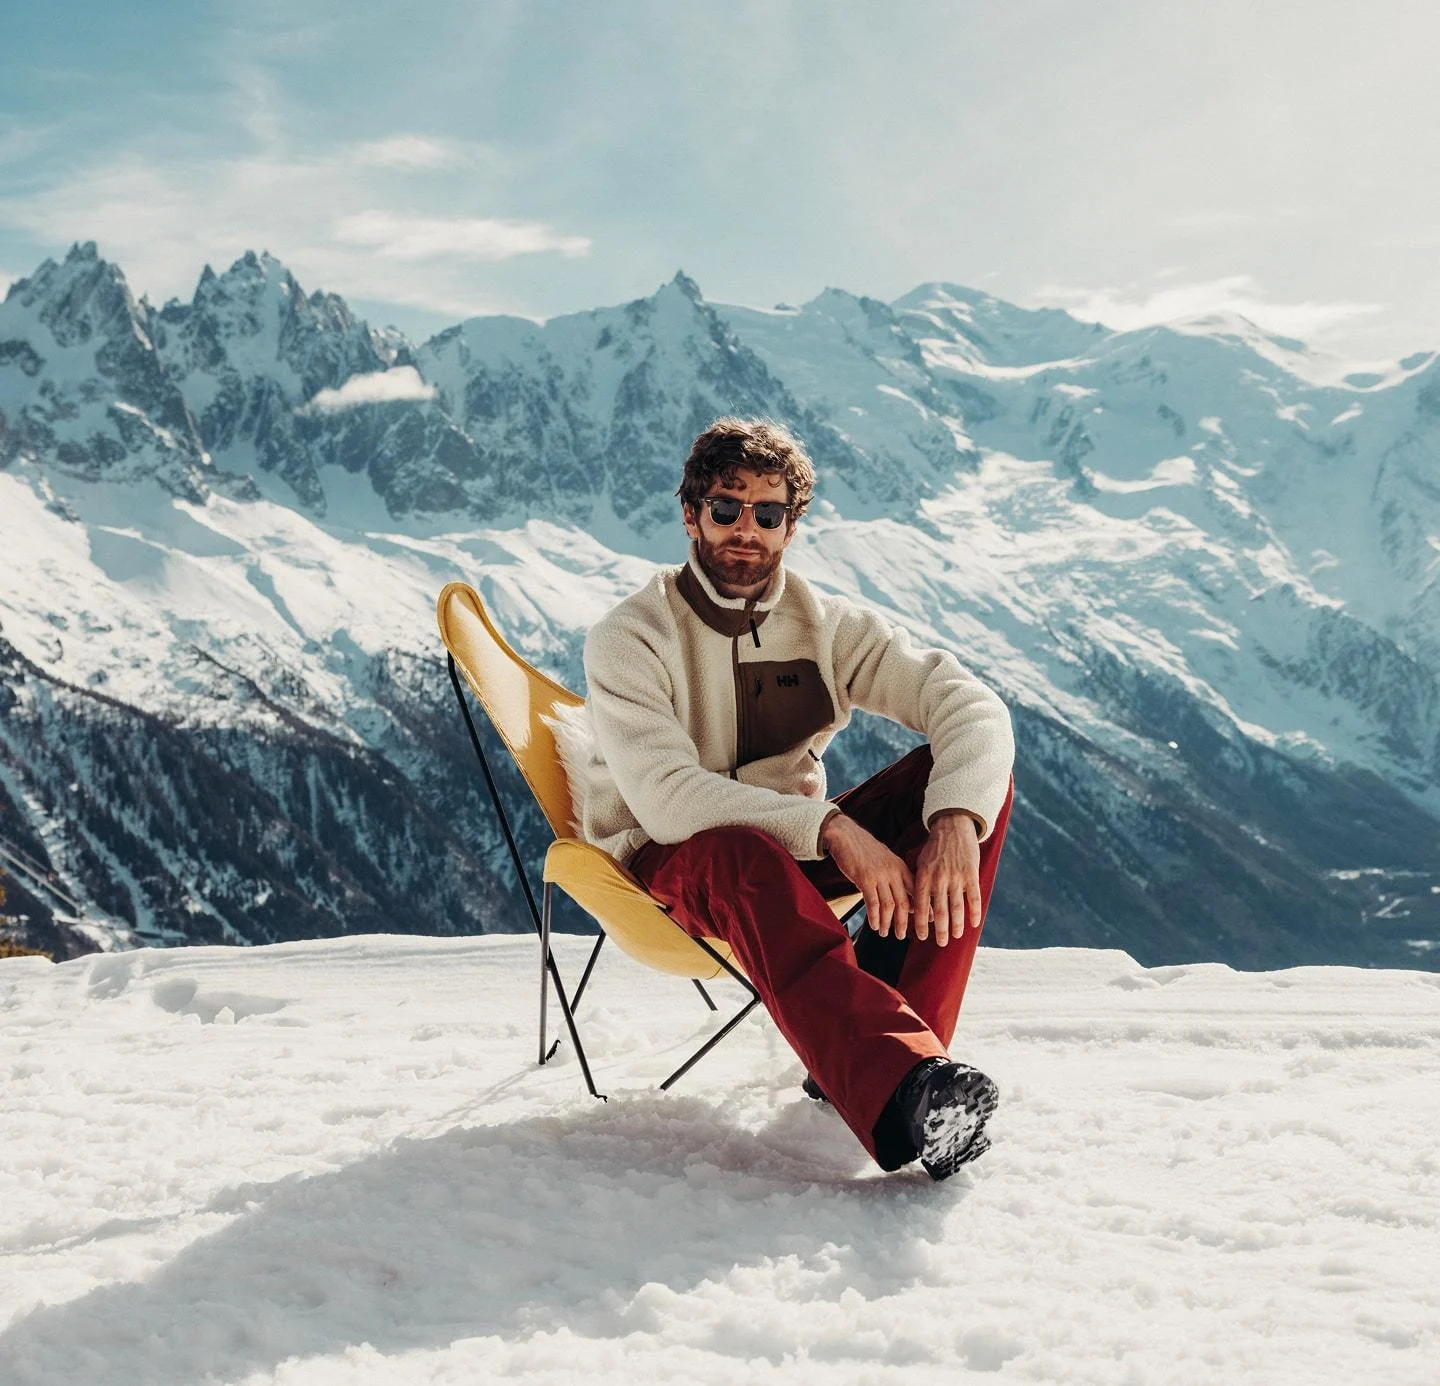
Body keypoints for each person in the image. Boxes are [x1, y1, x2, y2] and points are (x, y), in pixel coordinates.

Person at [581, 418, 1015, 1179]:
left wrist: (953, 822)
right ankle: (901, 1085)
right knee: (740, 854)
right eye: (725, 508)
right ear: (691, 514)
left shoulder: (825, 625)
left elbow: (969, 704)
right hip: (675, 863)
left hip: (798, 849)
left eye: (768, 513)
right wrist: (834, 828)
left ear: (792, 525)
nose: (745, 530)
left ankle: (911, 1067)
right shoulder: (633, 635)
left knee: (971, 785)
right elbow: (670, 802)